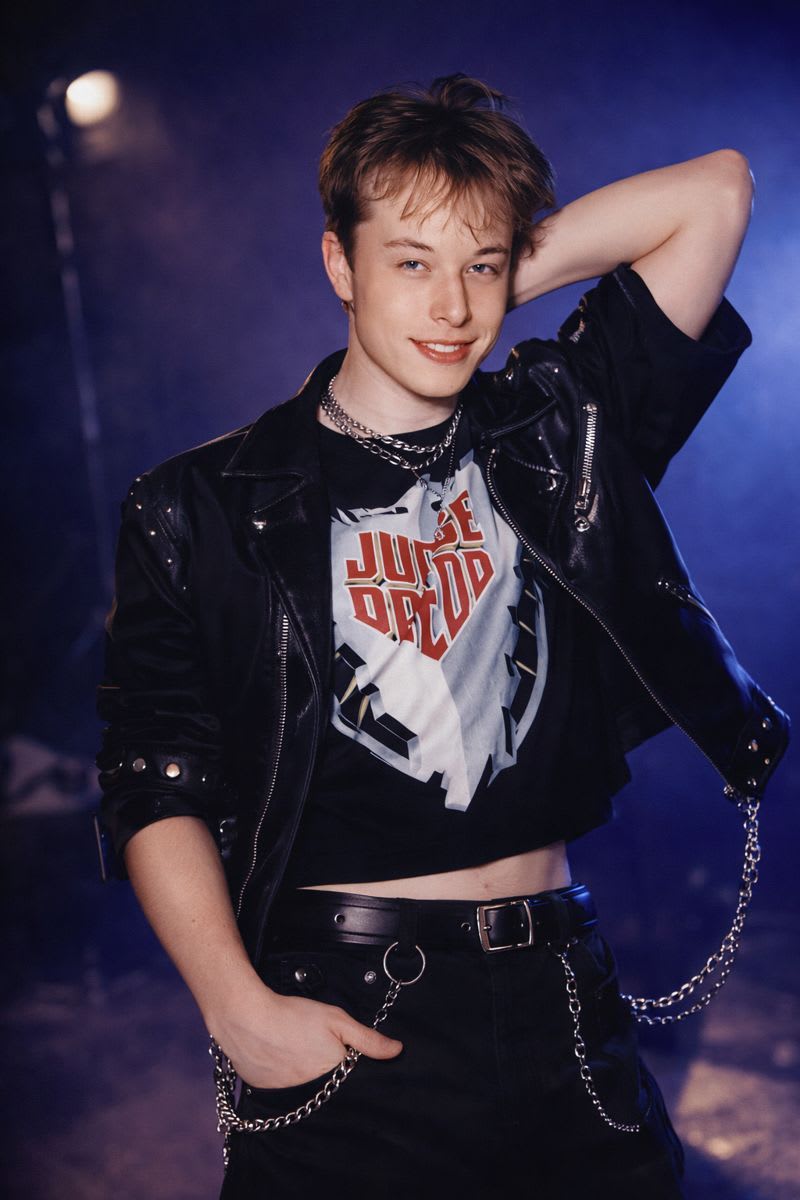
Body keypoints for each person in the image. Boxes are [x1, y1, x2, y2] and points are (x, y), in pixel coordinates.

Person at [96, 75, 789, 1198]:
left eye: (481, 269)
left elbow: (715, 193)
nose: (453, 308)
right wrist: (235, 1007)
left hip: (564, 1000)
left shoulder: (556, 432)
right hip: (348, 1009)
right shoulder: (202, 505)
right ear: (340, 265)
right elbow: (152, 774)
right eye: (409, 263)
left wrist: (483, 258)